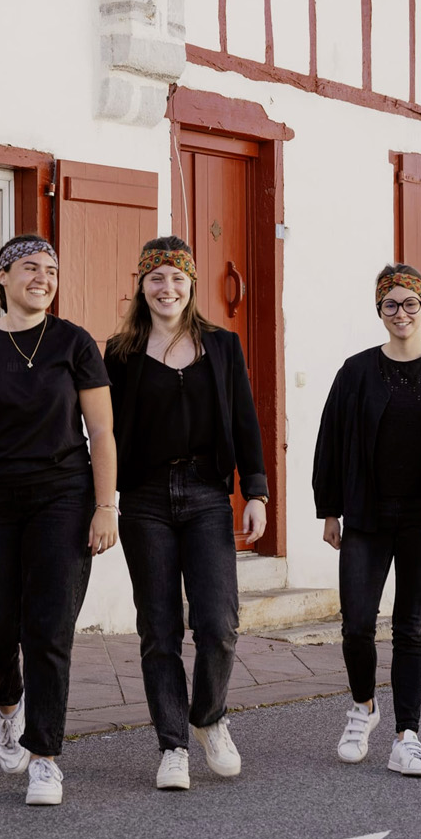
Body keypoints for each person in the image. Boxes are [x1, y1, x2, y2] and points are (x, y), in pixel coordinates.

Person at [0, 233, 118, 806]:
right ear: (3, 277)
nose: (43, 278)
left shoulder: (74, 342)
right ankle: (8, 704)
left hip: (62, 497)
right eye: (31, 267)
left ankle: (45, 757)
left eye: (51, 270)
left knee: (48, 627)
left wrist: (106, 505)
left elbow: (102, 431)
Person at [102, 235, 269, 791]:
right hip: (145, 499)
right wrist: (101, 500)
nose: (167, 288)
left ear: (191, 284)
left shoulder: (221, 345)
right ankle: (172, 744)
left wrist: (256, 492)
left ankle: (209, 718)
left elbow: (245, 420)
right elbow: (103, 431)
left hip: (206, 496)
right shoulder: (120, 353)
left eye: (177, 277)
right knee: (159, 630)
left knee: (218, 623)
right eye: (156, 278)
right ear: (141, 285)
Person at [312, 262, 421, 778]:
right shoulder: (356, 372)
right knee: (356, 625)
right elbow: (330, 440)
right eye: (391, 304)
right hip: (366, 517)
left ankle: (407, 737)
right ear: (379, 310)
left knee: (411, 629)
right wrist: (329, 509)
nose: (401, 312)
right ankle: (363, 706)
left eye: (411, 303)